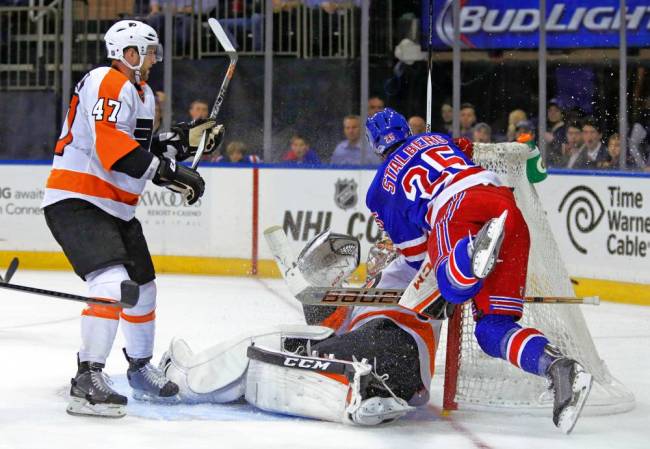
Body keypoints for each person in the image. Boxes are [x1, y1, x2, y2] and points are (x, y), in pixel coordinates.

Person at [364, 107, 593, 434]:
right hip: (504, 205)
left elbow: (416, 256)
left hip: (456, 209)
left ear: (374, 144)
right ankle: (558, 367)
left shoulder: (377, 191)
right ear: (406, 129)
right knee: (491, 331)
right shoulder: (436, 138)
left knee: (451, 286)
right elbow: (464, 148)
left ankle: (470, 252)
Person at [41, 20, 221, 418]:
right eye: (150, 51)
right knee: (110, 283)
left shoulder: (139, 93)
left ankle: (140, 369)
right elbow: (112, 150)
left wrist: (178, 142)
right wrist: (169, 171)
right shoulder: (107, 80)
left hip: (115, 207)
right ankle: (87, 378)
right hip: (79, 200)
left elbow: (139, 147)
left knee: (142, 288)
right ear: (128, 53)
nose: (155, 58)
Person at [158, 230, 438, 425]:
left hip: (398, 348)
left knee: (280, 357)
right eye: (378, 249)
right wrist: (315, 282)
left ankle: (186, 379)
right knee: (265, 349)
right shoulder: (369, 291)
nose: (378, 255)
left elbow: (447, 256)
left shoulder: (420, 269)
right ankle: (366, 394)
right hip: (374, 351)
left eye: (386, 250)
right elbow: (327, 326)